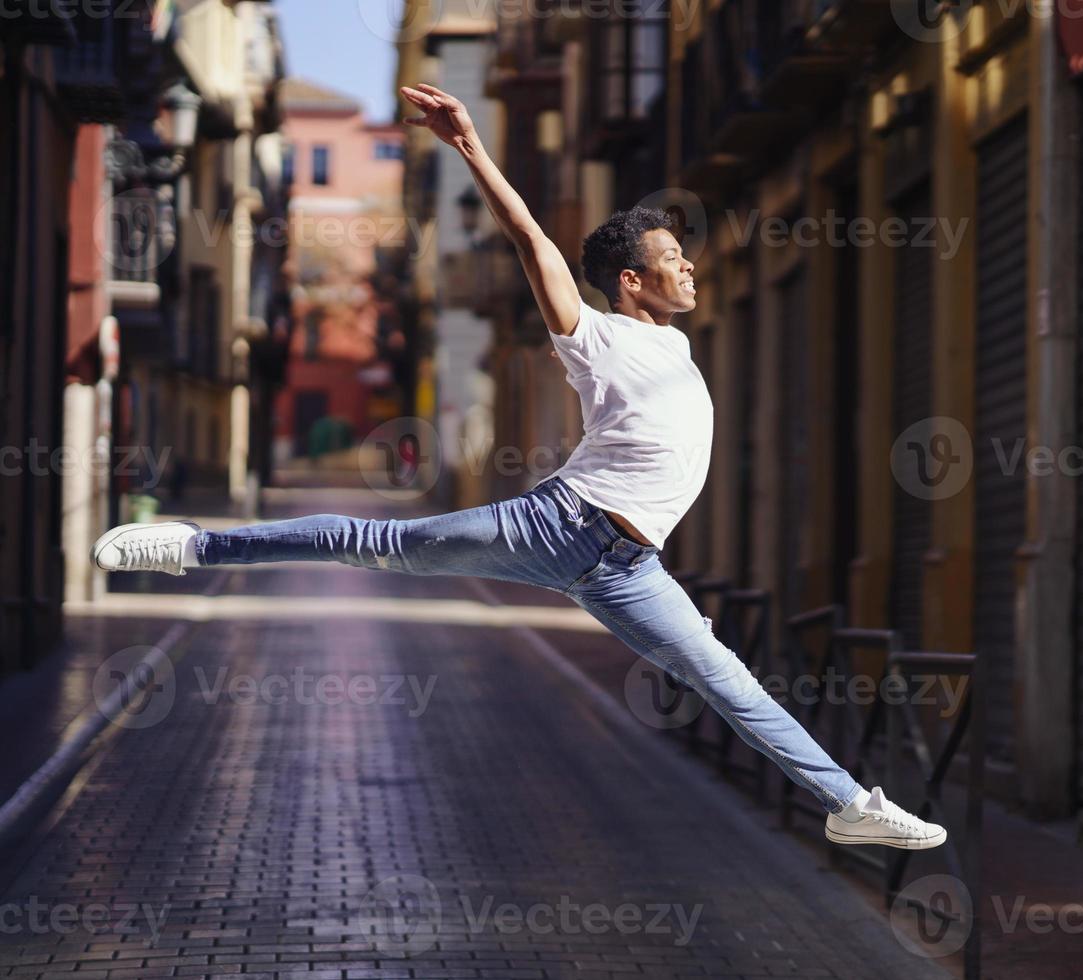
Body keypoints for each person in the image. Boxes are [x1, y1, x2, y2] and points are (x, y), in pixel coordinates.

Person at [92, 82, 946, 851]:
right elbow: (531, 237)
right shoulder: (594, 338)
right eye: (670, 258)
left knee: (728, 681)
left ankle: (847, 803)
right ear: (629, 280)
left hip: (629, 568)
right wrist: (468, 145)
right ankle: (188, 546)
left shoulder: (674, 342)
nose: (688, 264)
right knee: (367, 540)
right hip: (555, 525)